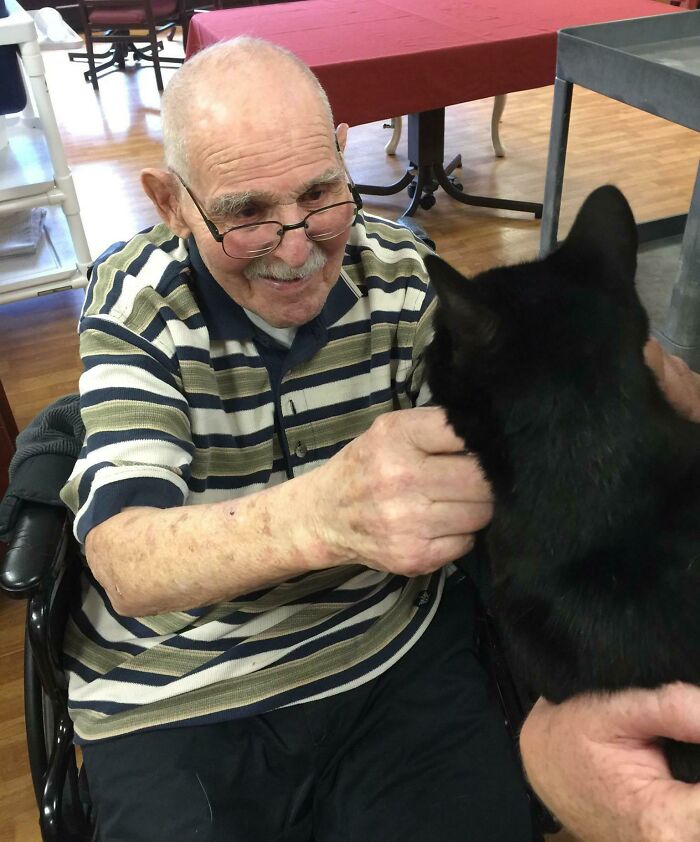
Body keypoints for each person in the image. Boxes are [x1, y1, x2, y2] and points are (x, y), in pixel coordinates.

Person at [59, 35, 700, 842]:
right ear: (169, 202)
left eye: (322, 194)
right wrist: (318, 518)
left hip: (388, 656)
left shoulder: (403, 272)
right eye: (246, 215)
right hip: (183, 691)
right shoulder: (134, 304)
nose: (297, 249)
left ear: (343, 149)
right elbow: (123, 562)